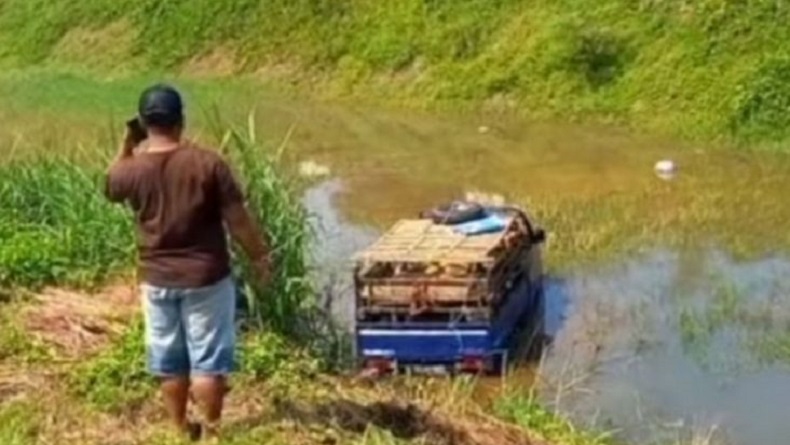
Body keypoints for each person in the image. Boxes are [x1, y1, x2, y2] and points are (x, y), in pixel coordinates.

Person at [104, 84, 272, 441]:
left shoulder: (130, 169)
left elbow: (111, 184)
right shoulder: (208, 163)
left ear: (145, 124)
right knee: (208, 361)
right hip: (206, 279)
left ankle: (180, 431)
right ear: (180, 120)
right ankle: (212, 433)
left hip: (157, 280)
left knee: (169, 361)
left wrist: (128, 143)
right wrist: (259, 257)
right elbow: (238, 220)